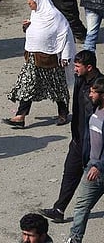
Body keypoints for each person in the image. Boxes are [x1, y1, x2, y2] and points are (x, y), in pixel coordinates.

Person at [40, 50, 103, 223]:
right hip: (78, 139)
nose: (74, 69)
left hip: (94, 143)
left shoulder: (99, 87)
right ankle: (59, 209)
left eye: (77, 66)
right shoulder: (80, 79)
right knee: (70, 173)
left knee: (95, 182)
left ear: (89, 67)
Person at [3, 0, 75, 128]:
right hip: (32, 58)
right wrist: (27, 27)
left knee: (57, 88)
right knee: (27, 84)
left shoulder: (55, 16)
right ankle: (20, 116)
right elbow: (36, 33)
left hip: (50, 60)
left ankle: (63, 112)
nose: (29, 2)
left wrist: (65, 57)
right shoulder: (35, 14)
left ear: (39, 0)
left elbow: (65, 36)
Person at [66, 77, 104, 243]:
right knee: (82, 204)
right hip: (92, 167)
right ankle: (75, 239)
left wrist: (99, 165)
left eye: (94, 92)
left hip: (98, 168)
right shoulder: (95, 110)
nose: (90, 94)